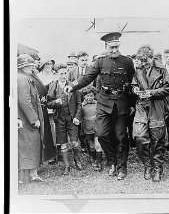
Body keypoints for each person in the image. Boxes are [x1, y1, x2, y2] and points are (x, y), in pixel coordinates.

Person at [65, 32, 135, 180]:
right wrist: (72, 86)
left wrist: (132, 104)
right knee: (102, 135)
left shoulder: (127, 61)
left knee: (121, 136)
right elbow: (87, 77)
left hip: (121, 103)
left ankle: (122, 167)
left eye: (116, 47)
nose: (114, 50)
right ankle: (112, 161)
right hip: (104, 103)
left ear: (119, 46)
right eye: (111, 47)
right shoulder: (100, 62)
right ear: (106, 46)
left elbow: (131, 83)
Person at [132, 45, 169, 182]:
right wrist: (136, 89)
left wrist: (152, 93)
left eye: (145, 60)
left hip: (156, 106)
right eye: (140, 61)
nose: (143, 64)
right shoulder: (138, 70)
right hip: (142, 107)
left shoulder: (161, 69)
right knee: (139, 136)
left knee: (157, 139)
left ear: (151, 57)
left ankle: (157, 168)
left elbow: (168, 88)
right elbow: (134, 84)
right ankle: (147, 165)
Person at [47, 64, 83, 175]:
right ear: (56, 74)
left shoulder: (73, 86)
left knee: (74, 142)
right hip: (60, 119)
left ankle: (77, 160)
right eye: (61, 73)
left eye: (65, 73)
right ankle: (67, 165)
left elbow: (79, 104)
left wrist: (77, 117)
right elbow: (48, 103)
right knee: (63, 144)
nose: (63, 76)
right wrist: (56, 102)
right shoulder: (53, 86)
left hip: (72, 119)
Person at [17, 54, 44, 183]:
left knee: (29, 145)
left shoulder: (25, 77)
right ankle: (27, 176)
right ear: (23, 67)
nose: (32, 68)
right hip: (27, 120)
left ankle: (31, 175)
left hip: (25, 119)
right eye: (29, 66)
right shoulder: (22, 79)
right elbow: (25, 101)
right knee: (29, 145)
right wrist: (34, 119)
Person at [80, 86, 104, 171]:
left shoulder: (97, 104)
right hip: (87, 128)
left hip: (97, 127)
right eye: (87, 96)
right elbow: (79, 117)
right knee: (91, 146)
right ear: (84, 97)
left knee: (98, 145)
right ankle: (92, 158)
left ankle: (99, 162)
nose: (89, 98)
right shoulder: (82, 106)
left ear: (94, 95)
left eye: (91, 96)